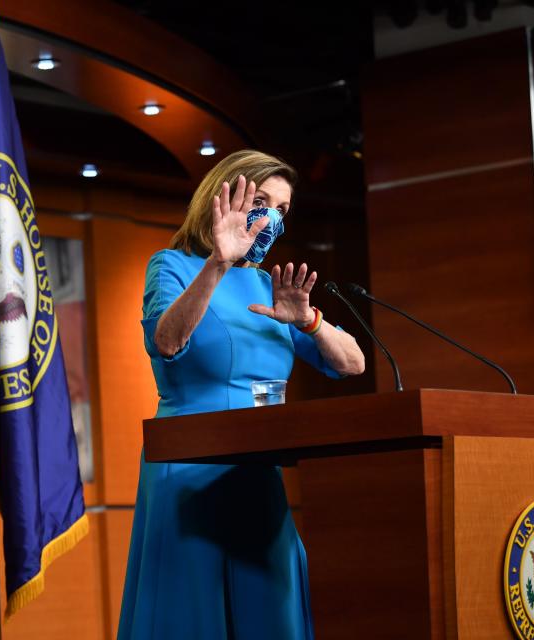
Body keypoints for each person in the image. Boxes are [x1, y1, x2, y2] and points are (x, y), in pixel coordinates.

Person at [117, 150, 365, 639]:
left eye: (284, 209)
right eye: (264, 200)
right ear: (225, 195)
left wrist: (310, 321)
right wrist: (217, 264)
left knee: (269, 616)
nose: (273, 216)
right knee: (192, 617)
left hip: (257, 475)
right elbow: (166, 341)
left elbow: (353, 363)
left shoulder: (270, 287)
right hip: (189, 470)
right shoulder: (171, 266)